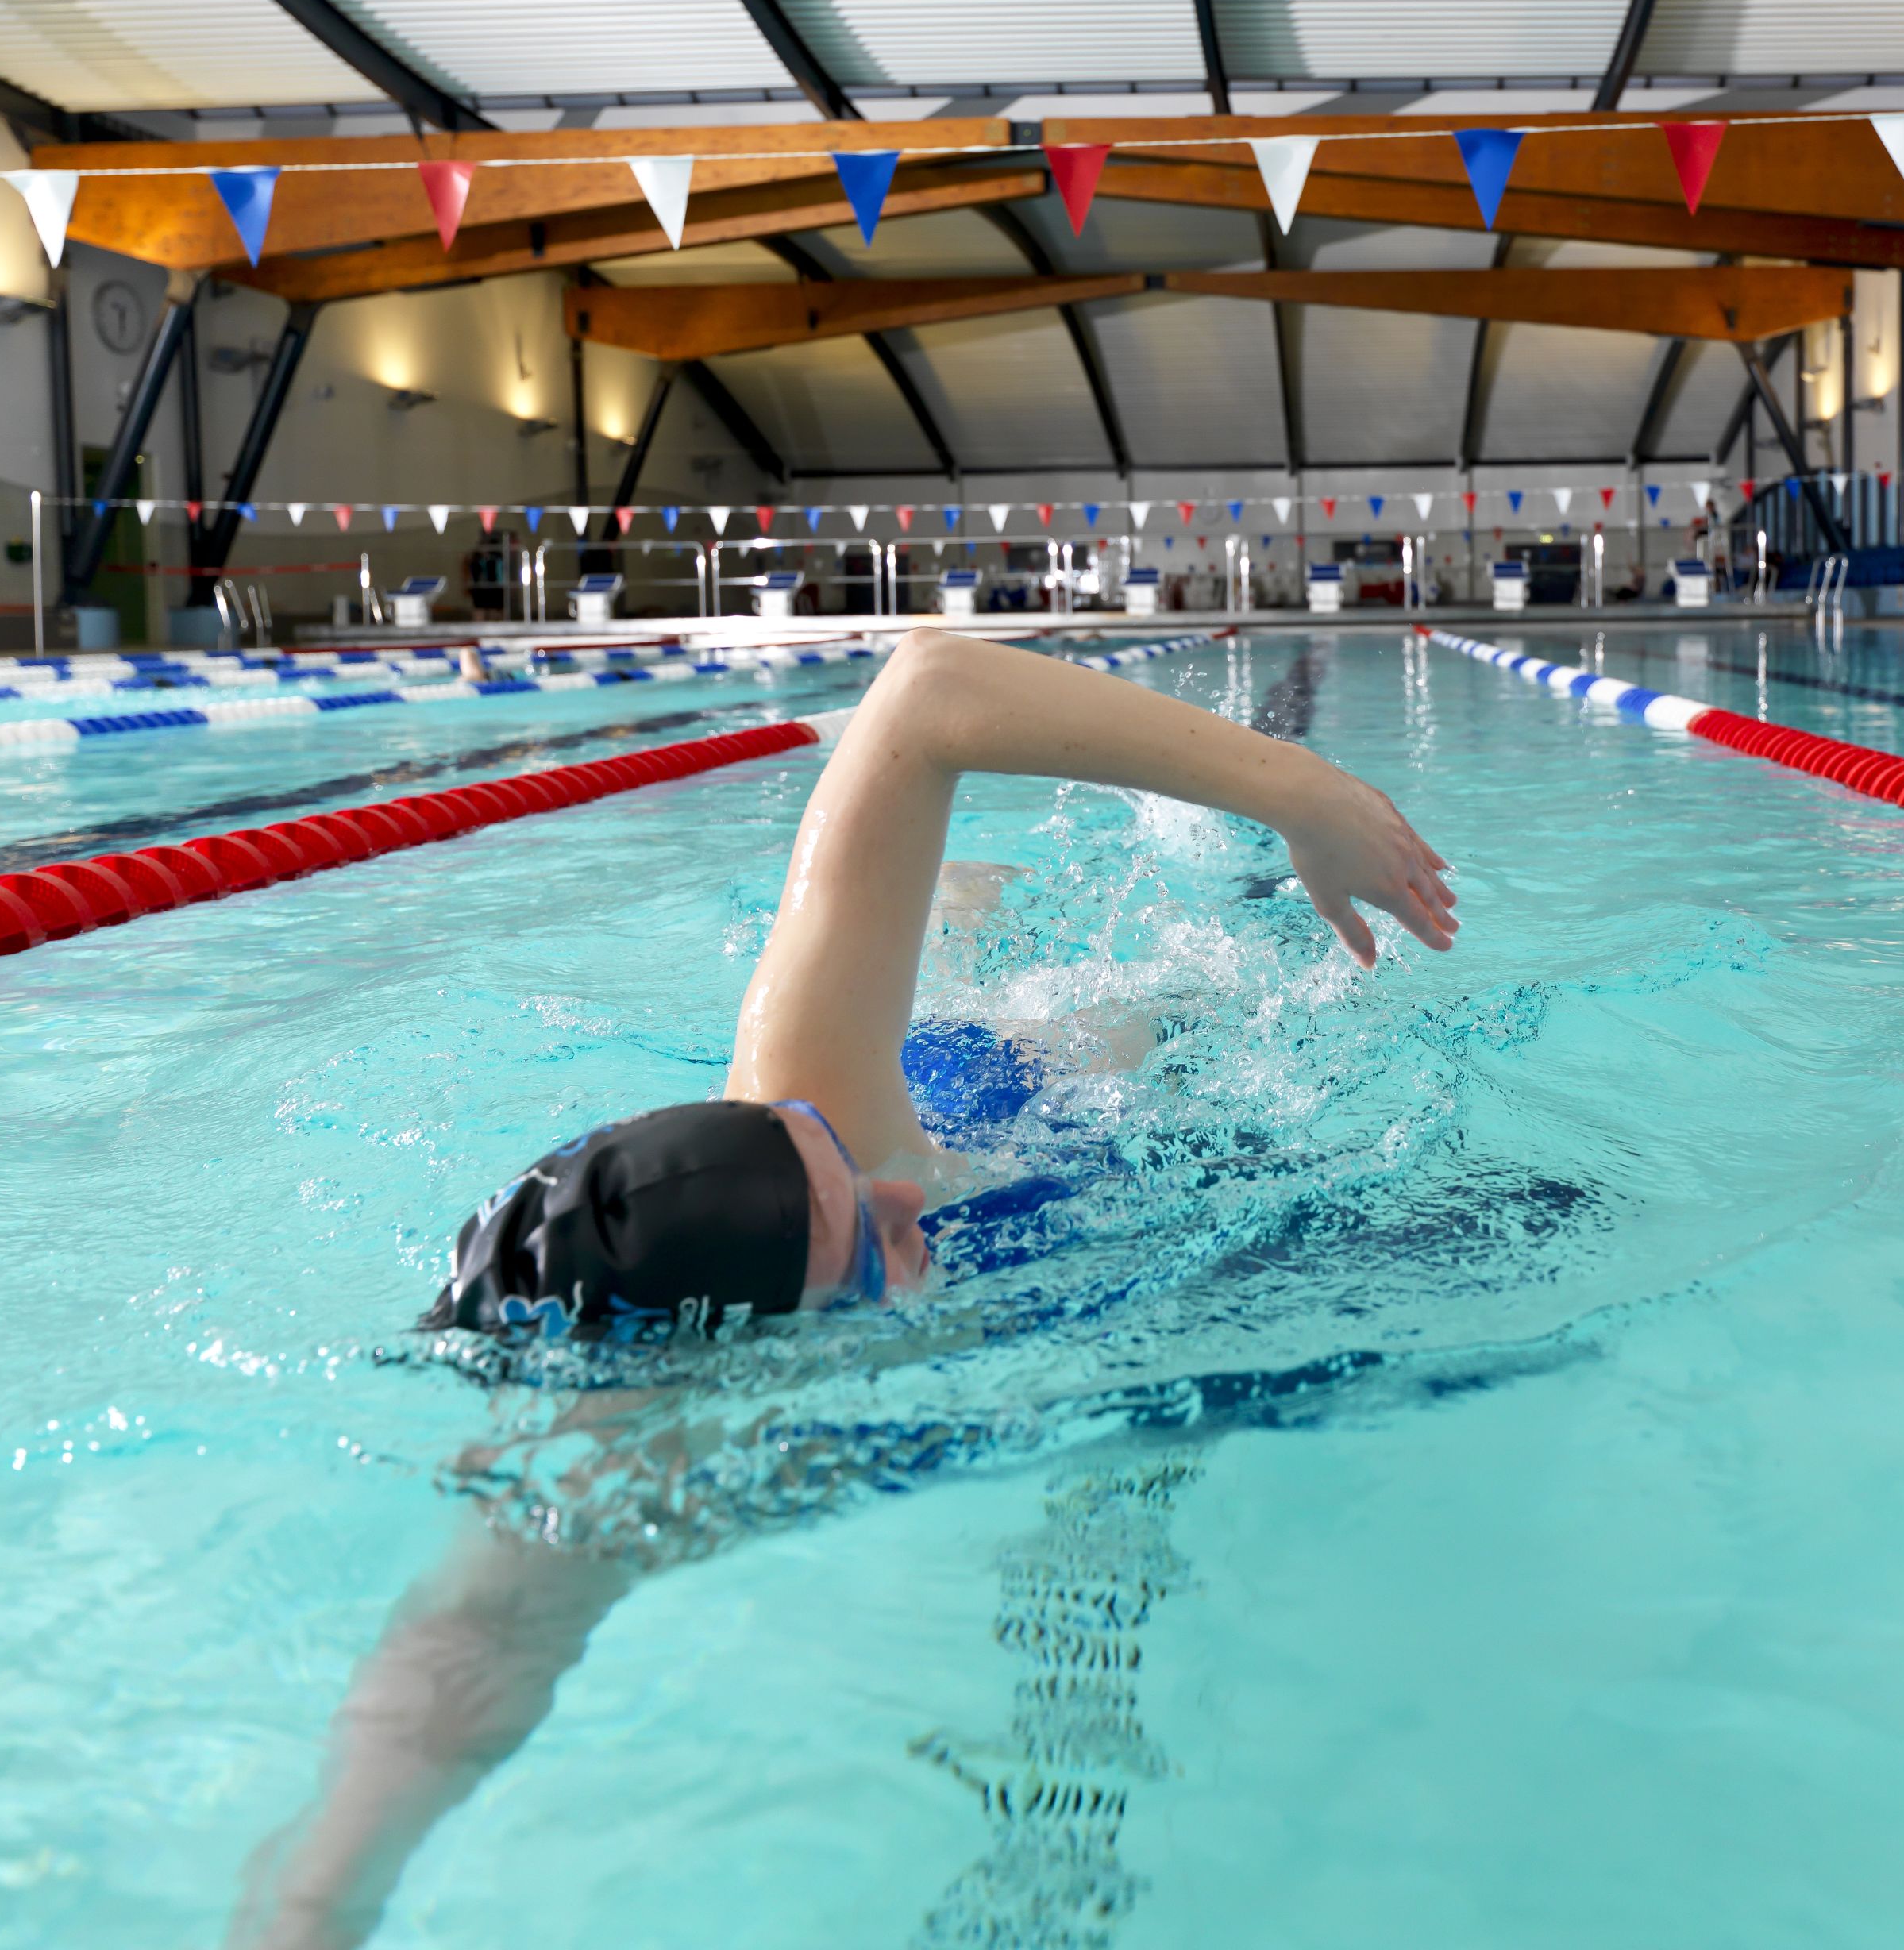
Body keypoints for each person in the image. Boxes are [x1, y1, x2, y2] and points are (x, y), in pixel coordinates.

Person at [229, 630, 1455, 1948]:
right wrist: (311, 1910)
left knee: (1119, 1025)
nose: (903, 1199)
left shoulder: (828, 1111)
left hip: (1003, 1083)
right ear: (754, 1343)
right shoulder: (639, 1443)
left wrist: (1305, 797)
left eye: (844, 1171)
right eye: (859, 1242)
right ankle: (944, 928)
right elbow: (469, 1646)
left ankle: (950, 930)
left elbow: (927, 687)